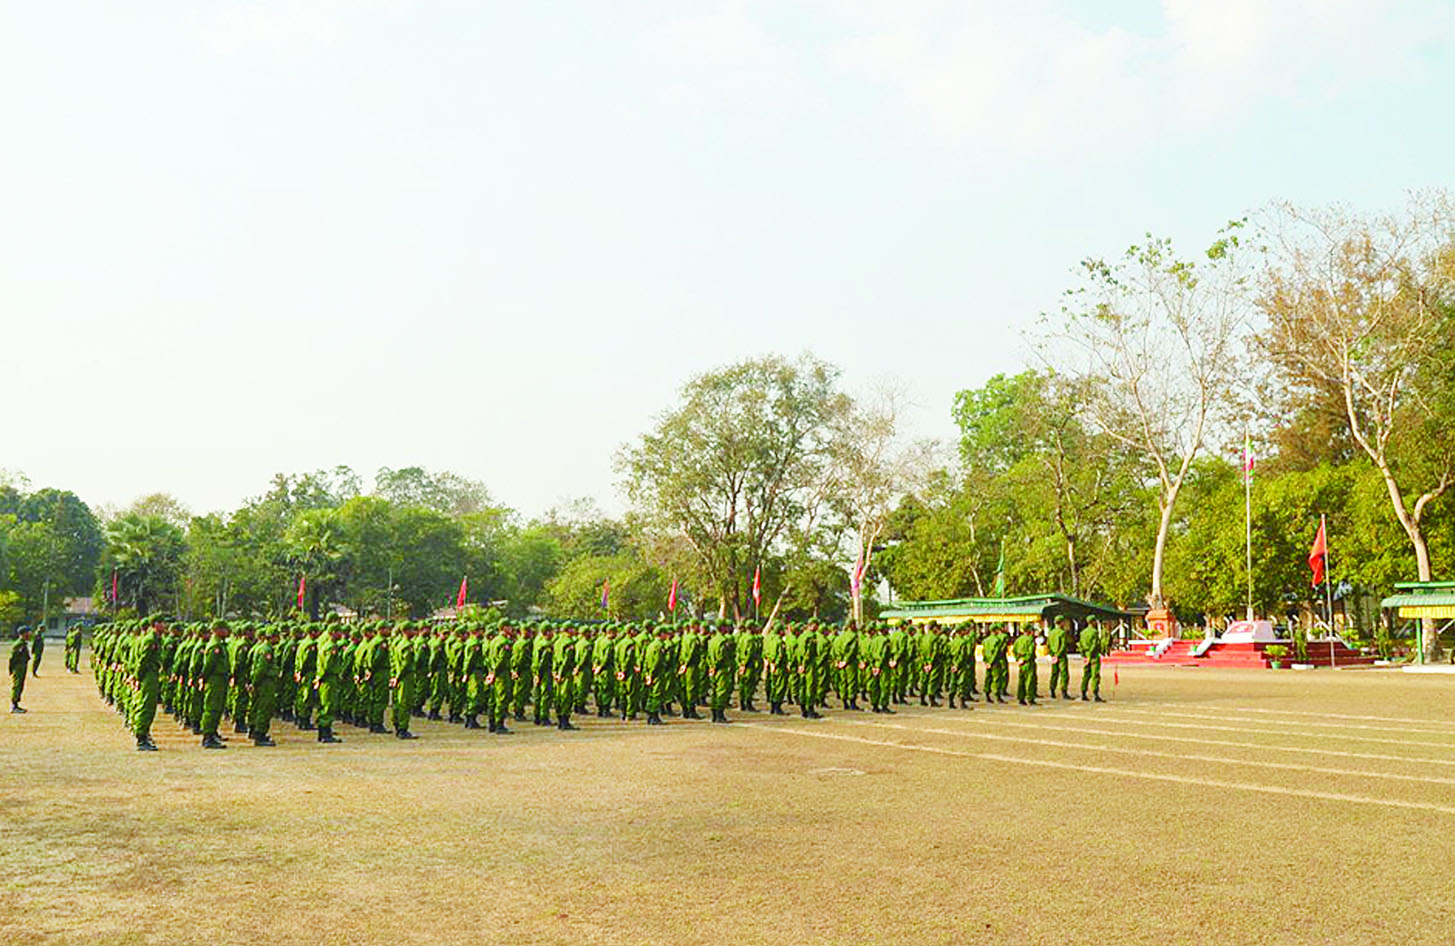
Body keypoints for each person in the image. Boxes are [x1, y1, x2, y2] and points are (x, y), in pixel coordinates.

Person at [200, 622, 231, 749]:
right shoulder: (215, 646)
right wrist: (204, 678)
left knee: (218, 707)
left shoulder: (220, 644)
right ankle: (208, 736)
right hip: (215, 679)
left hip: (220, 679)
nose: (227, 632)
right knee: (212, 707)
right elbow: (209, 665)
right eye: (224, 629)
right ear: (217, 630)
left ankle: (212, 733)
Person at [1011, 625, 1038, 706]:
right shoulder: (1030, 640)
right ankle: (1030, 698)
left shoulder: (1018, 639)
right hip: (1028, 662)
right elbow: (1030, 652)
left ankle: (1021, 698)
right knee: (1030, 680)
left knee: (1021, 680)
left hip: (1021, 662)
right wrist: (1025, 659)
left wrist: (1018, 659)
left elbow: (1014, 650)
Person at [1079, 620, 1105, 702]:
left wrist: (1084, 655)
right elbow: (1094, 645)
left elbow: (1080, 645)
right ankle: (1095, 694)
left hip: (1086, 655)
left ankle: (1083, 693)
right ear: (1092, 622)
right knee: (1095, 675)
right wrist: (1090, 656)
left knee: (1086, 675)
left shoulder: (1083, 632)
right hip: (1093, 656)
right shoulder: (1094, 632)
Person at [1046, 617, 1072, 700]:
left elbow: (1048, 645)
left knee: (1054, 673)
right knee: (1064, 674)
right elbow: (1063, 645)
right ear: (1061, 623)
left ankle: (1052, 690)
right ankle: (1064, 692)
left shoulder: (1051, 633)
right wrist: (1058, 654)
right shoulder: (1062, 633)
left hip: (1054, 656)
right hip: (1061, 656)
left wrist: (1053, 655)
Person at [10, 626, 32, 713]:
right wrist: (12, 668)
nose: (30, 634)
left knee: (20, 685)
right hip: (18, 668)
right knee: (17, 685)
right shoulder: (19, 644)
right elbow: (13, 657)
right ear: (23, 633)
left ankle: (16, 704)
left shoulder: (23, 643)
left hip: (21, 667)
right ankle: (14, 706)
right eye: (28, 632)